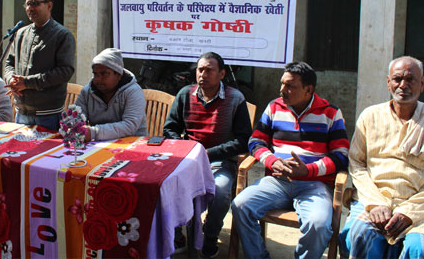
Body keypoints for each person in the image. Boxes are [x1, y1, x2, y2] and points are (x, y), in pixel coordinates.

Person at [339, 56, 424, 259]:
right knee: (361, 236)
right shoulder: (370, 116)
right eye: (397, 79)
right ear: (388, 82)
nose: (403, 85)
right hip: (373, 200)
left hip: (420, 208)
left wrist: (409, 212)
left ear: (422, 84)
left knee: (420, 249)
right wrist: (376, 203)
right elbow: (356, 163)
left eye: (410, 79)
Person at [231, 61, 349, 259]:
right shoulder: (274, 107)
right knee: (240, 205)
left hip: (315, 185)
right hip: (277, 181)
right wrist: (273, 161)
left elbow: (341, 156)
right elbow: (256, 141)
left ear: (308, 90)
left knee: (319, 224)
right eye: (282, 84)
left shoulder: (330, 113)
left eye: (289, 86)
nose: (282, 90)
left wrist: (308, 170)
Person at [163, 52, 252, 258]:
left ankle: (210, 236)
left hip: (220, 161)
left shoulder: (235, 98)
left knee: (220, 192)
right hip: (187, 160)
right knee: (166, 185)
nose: (203, 74)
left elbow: (243, 140)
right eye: (200, 69)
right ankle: (178, 236)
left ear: (222, 74)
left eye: (209, 70)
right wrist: (187, 149)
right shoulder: (185, 94)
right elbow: (170, 129)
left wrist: (206, 153)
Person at [4, 0, 76, 130]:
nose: (30, 8)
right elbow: (9, 63)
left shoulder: (62, 35)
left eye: (35, 3)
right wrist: (11, 80)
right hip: (21, 111)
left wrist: (27, 83)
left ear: (49, 5)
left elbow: (65, 72)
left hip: (48, 114)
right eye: (28, 4)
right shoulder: (21, 33)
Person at [75, 48, 147, 141]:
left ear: (119, 75)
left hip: (133, 143)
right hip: (97, 145)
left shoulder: (133, 92)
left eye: (104, 74)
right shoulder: (86, 92)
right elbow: (76, 118)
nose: (98, 79)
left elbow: (129, 126)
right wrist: (73, 125)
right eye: (95, 74)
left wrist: (94, 132)